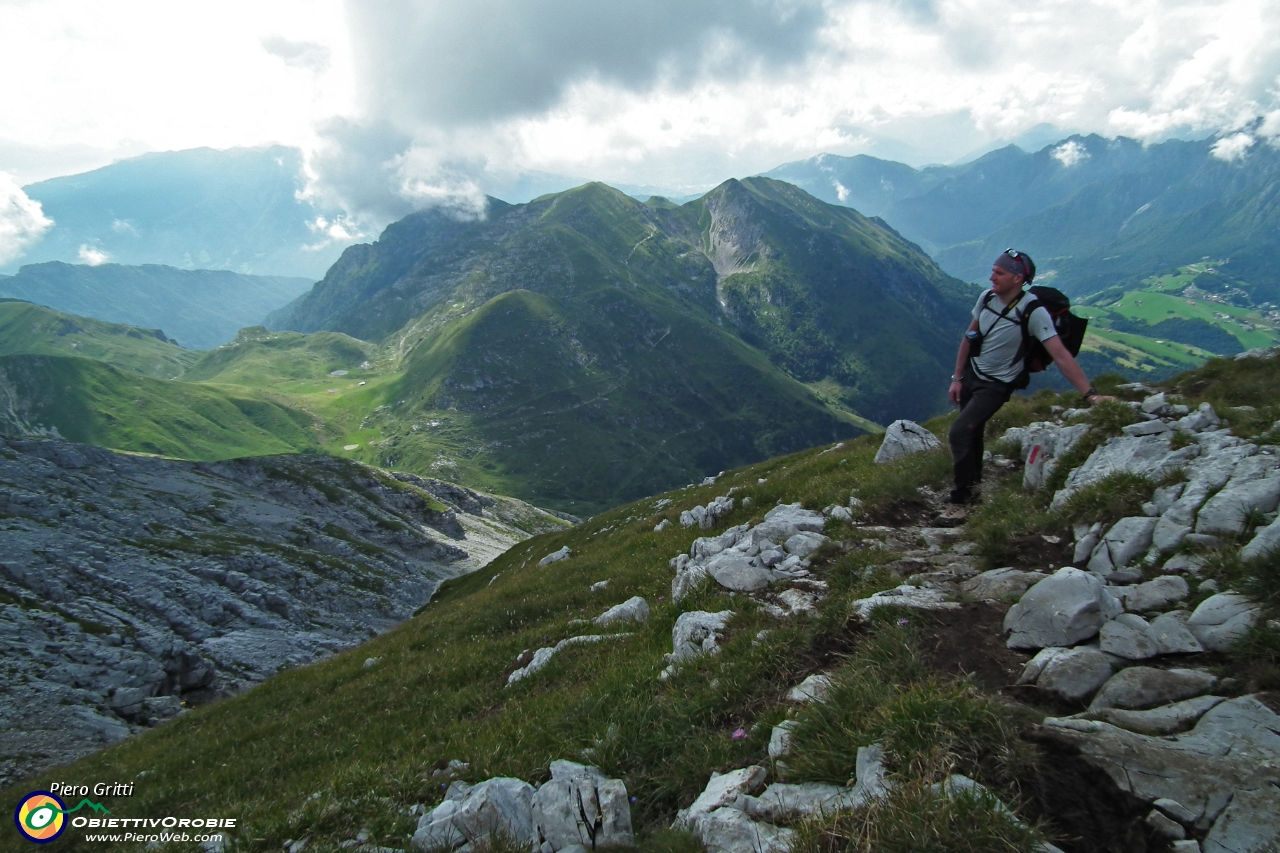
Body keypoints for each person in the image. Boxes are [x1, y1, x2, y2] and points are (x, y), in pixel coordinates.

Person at [946, 249, 1111, 507]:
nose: (992, 277)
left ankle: (962, 501)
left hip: (997, 384)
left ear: (1017, 278)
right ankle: (972, 492)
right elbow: (969, 337)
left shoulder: (1033, 312)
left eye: (999, 273)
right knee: (972, 432)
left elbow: (1061, 356)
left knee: (959, 433)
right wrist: (957, 377)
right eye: (992, 271)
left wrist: (1090, 395)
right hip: (972, 374)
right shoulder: (986, 298)